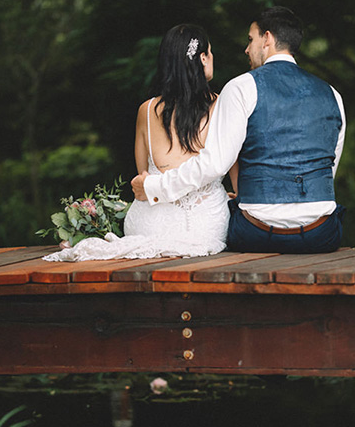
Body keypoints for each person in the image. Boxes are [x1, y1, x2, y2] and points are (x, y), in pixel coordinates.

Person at [132, 6, 346, 253]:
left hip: (258, 232)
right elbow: (329, 167)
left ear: (267, 39)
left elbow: (215, 164)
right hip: (320, 233)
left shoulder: (241, 87)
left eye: (251, 39)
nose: (246, 49)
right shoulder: (332, 94)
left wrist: (154, 187)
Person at [44, 24, 229, 262]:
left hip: (149, 223)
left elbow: (141, 178)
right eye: (210, 53)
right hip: (203, 228)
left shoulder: (147, 110)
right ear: (202, 58)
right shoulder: (222, 106)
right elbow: (233, 169)